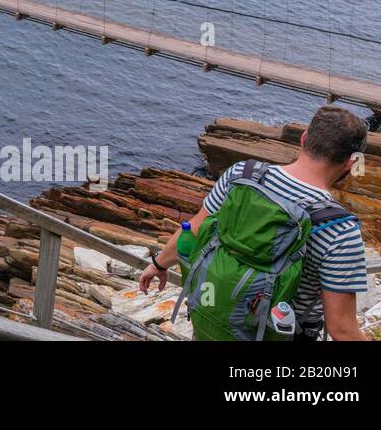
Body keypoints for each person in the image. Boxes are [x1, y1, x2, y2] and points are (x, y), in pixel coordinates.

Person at [139, 105, 369, 341]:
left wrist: (157, 264)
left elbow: (194, 230)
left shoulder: (242, 175)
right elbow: (341, 329)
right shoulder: (340, 229)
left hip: (215, 320)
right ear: (351, 162)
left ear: (304, 139)